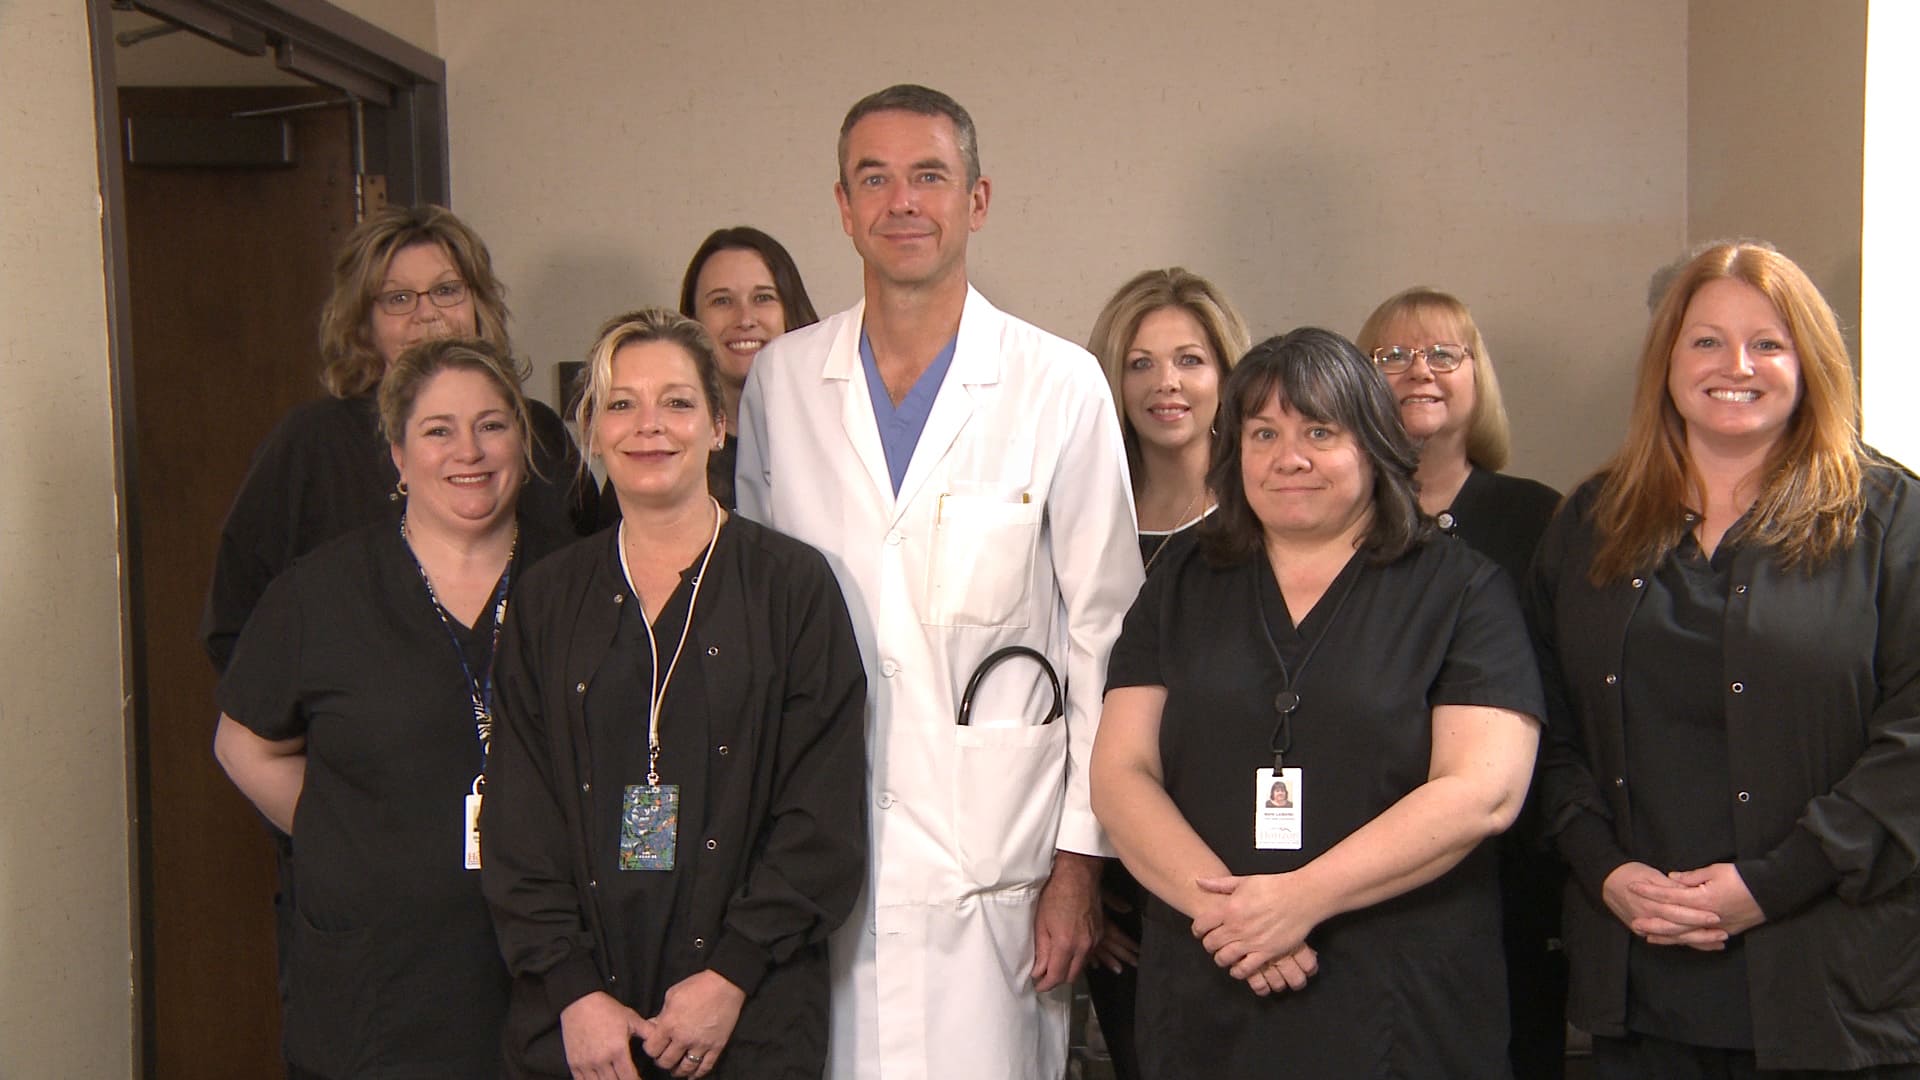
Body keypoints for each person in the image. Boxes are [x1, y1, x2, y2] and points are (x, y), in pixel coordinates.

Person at [735, 84, 1145, 1080]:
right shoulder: (783, 383)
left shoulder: (1057, 385)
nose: (903, 202)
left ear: (978, 199)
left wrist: (1079, 865)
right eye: (874, 180)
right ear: (843, 207)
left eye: (929, 176)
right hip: (818, 854)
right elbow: (751, 626)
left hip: (997, 871)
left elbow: (1106, 639)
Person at [1092, 328, 1544, 1078]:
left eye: (1319, 432)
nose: (1289, 457)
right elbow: (1120, 773)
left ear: (1373, 443)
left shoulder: (1462, 588)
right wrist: (1232, 918)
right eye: (1263, 433)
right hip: (1212, 981)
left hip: (1398, 998)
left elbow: (1482, 791)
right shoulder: (1182, 581)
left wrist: (1300, 901)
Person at [1530, 241, 1920, 1077]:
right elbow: (1543, 725)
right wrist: (1605, 870)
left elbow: (1914, 741)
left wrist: (1773, 883)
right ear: (1667, 361)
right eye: (1706, 340)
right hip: (1640, 980)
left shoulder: (1891, 519)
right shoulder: (1592, 521)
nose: (1734, 366)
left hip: (1834, 990)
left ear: (1809, 362)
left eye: (1767, 343)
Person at [482, 309, 868, 1080]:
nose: (649, 426)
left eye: (678, 403)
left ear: (719, 425)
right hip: (582, 1025)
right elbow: (520, 819)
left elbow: (821, 816)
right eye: (621, 404)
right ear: (594, 432)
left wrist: (731, 973)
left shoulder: (792, 588)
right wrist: (573, 990)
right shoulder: (548, 599)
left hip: (748, 1014)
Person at [212, 337, 570, 1079]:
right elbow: (242, 744)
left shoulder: (581, 585)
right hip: (375, 991)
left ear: (523, 440)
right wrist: (348, 835)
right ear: (399, 456)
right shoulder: (319, 594)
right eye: (438, 430)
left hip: (547, 977)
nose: (468, 451)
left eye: (492, 424)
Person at [203, 203, 596, 670]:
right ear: (363, 323)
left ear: (478, 304)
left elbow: (598, 576)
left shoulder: (539, 431)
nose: (427, 314)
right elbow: (236, 623)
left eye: (446, 291)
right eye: (399, 298)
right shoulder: (308, 443)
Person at [1355, 287, 1567, 1077]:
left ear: (1479, 378)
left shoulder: (1542, 519)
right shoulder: (1334, 516)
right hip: (1368, 846)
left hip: (1512, 855)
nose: (1421, 371)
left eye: (1445, 353)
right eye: (1393, 356)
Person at [1083, 266, 1252, 1080]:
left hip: (1247, 869)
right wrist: (1081, 875)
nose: (1166, 384)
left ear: (1228, 373)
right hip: (1117, 876)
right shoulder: (1083, 518)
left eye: (1190, 360)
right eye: (1140, 364)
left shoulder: (1270, 518)